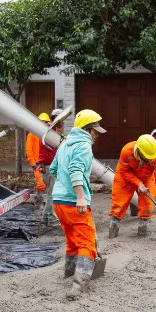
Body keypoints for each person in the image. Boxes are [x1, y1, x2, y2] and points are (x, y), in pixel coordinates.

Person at [48, 109, 106, 300]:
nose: (97, 135)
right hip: (74, 202)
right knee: (87, 243)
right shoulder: (83, 146)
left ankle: (69, 272)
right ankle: (79, 286)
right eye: (96, 131)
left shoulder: (64, 144)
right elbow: (75, 170)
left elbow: (54, 169)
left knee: (73, 241)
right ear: (88, 130)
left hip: (59, 201)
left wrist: (64, 186)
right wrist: (80, 196)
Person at [108, 134, 156, 238]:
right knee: (119, 203)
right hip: (124, 177)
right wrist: (138, 183)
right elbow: (124, 172)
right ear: (139, 152)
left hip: (146, 178)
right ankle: (114, 227)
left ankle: (142, 229)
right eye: (147, 159)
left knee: (147, 203)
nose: (150, 161)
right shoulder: (127, 151)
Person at [25, 112, 52, 192]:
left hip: (47, 163)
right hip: (37, 163)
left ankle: (44, 197)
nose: (44, 124)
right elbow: (29, 149)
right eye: (43, 122)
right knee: (41, 184)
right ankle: (39, 198)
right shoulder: (32, 134)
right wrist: (32, 162)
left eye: (46, 122)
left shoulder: (48, 134)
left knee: (48, 183)